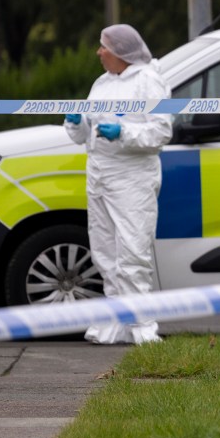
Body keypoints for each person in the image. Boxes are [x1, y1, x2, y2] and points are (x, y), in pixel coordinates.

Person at [64, 24, 172, 345]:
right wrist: (77, 124)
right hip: (99, 176)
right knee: (105, 252)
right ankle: (116, 323)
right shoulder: (102, 84)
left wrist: (122, 133)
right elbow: (86, 135)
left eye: (104, 47)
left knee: (132, 252)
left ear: (122, 52)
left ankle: (143, 327)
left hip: (132, 179)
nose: (99, 52)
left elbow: (161, 132)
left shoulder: (148, 82)